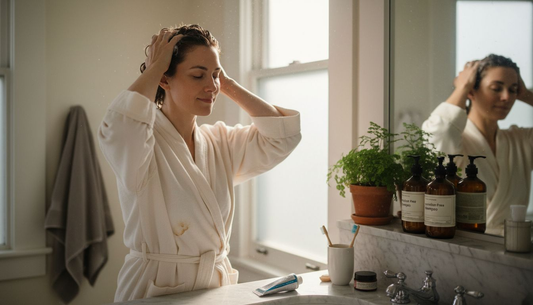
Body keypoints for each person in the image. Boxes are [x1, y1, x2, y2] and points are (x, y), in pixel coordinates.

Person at [98, 24, 301, 301]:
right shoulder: (142, 144)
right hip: (154, 288)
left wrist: (225, 84)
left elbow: (283, 136)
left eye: (216, 75)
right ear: (164, 80)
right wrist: (155, 67)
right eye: (197, 75)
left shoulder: (220, 142)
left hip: (214, 290)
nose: (211, 86)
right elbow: (120, 125)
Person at [422, 54, 533, 236]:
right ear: (471, 92)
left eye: (513, 90)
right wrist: (462, 87)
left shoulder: (521, 141)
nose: (506, 97)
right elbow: (439, 131)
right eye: (496, 88)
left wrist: (527, 94)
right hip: (466, 248)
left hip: (516, 248)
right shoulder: (456, 142)